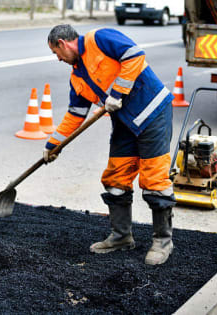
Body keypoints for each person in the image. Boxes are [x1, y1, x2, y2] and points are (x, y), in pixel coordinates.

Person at [44, 24, 176, 265]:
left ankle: (162, 241)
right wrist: (53, 144)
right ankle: (121, 237)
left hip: (153, 114)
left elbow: (135, 55)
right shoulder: (77, 77)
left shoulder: (100, 38)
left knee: (154, 180)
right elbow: (75, 114)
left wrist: (118, 92)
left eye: (56, 53)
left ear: (63, 43)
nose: (58, 59)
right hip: (125, 124)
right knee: (115, 179)